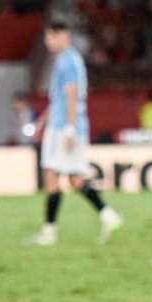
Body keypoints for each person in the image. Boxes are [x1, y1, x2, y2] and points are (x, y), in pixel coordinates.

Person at [30, 21, 122, 246]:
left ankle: (49, 232)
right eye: (46, 37)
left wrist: (69, 128)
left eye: (52, 36)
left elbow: (71, 94)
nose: (48, 41)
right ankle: (108, 216)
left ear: (64, 36)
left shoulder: (66, 61)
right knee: (75, 179)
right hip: (69, 124)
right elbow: (60, 98)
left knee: (51, 175)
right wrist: (42, 122)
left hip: (64, 127)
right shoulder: (71, 60)